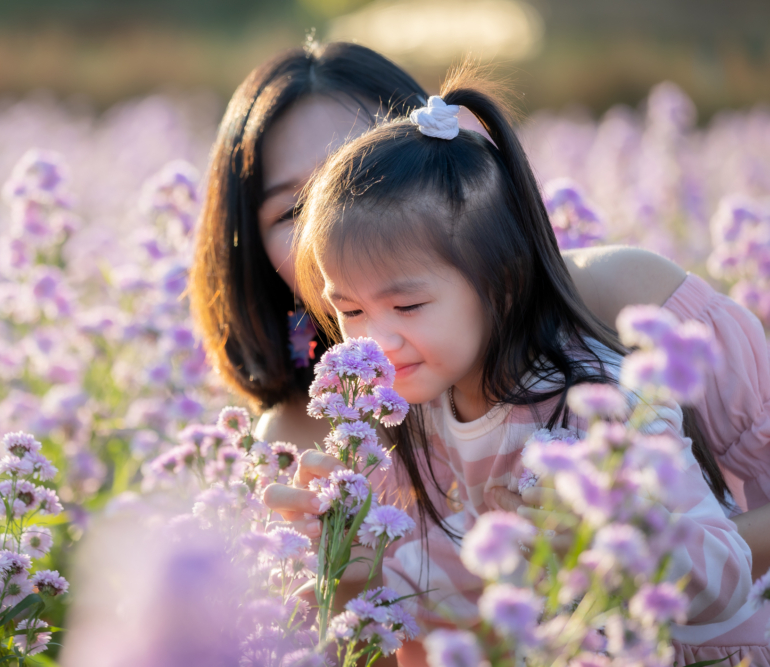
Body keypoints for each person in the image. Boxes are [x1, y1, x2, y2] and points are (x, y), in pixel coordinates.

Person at [190, 40, 770, 581]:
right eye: (295, 209)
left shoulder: (619, 302)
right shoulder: (296, 446)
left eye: (369, 174)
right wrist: (341, 577)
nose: (338, 223)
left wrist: (617, 546)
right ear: (250, 243)